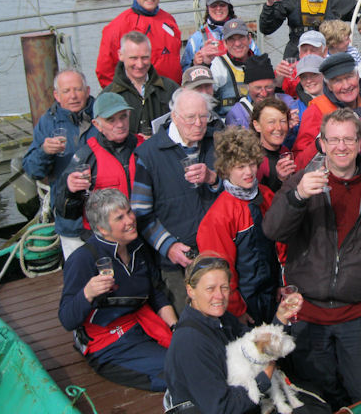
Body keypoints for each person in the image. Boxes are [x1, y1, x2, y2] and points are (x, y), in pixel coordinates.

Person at [263, 108, 361, 407]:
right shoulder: (301, 182)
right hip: (309, 314)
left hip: (359, 313)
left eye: (348, 139)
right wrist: (297, 198)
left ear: (360, 143)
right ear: (322, 143)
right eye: (333, 139)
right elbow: (273, 230)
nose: (341, 147)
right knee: (319, 392)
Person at [59, 188, 177, 392]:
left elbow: (155, 292)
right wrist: (86, 293)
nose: (130, 220)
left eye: (129, 212)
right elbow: (67, 319)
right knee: (181, 372)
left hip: (140, 324)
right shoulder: (83, 259)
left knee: (195, 353)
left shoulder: (137, 246)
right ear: (103, 229)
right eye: (120, 217)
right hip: (108, 342)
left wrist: (177, 329)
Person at [164, 255, 307, 414]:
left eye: (224, 287)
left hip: (239, 397)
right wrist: (264, 378)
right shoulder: (190, 342)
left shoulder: (221, 318)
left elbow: (257, 344)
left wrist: (281, 317)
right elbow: (220, 408)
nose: (219, 296)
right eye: (210, 288)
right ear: (190, 290)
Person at [132, 89, 221, 314]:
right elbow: (141, 212)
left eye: (204, 117)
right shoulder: (149, 154)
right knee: (188, 323)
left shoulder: (217, 143)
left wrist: (213, 178)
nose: (199, 123)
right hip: (177, 259)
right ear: (174, 117)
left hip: (216, 249)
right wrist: (167, 245)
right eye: (191, 118)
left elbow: (239, 189)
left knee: (222, 316)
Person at [196, 127, 279, 325]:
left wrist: (282, 284)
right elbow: (218, 271)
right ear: (226, 169)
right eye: (240, 167)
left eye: (252, 164)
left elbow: (281, 247)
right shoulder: (218, 216)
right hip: (246, 304)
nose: (249, 172)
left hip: (273, 295)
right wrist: (237, 310)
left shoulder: (267, 196)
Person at [23, 69, 95, 259]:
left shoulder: (102, 115)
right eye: (66, 91)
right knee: (79, 273)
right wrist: (44, 152)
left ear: (87, 90)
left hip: (103, 212)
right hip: (70, 216)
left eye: (78, 89)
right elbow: (33, 170)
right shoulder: (48, 123)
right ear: (57, 95)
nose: (73, 96)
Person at [55, 93, 144, 240]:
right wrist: (70, 191)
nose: (120, 124)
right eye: (111, 120)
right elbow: (66, 212)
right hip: (103, 240)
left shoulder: (145, 147)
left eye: (123, 116)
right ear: (97, 125)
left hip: (143, 232)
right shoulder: (85, 157)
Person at [96, 0, 182, 87]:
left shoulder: (169, 20)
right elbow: (105, 71)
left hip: (171, 95)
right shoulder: (117, 26)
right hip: (140, 100)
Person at [292, 53, 361, 167]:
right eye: (337, 81)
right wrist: (319, 144)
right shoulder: (317, 110)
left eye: (349, 76)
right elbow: (298, 162)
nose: (346, 86)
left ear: (357, 76)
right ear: (328, 86)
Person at [102, 31, 179, 136]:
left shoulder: (171, 89)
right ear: (120, 55)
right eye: (133, 58)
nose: (140, 64)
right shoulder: (107, 97)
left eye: (144, 58)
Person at [181, 0, 261, 70]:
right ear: (207, 8)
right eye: (214, 5)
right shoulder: (196, 38)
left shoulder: (243, 33)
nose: (218, 8)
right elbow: (185, 72)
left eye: (222, 5)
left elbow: (260, 62)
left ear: (228, 7)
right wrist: (195, 64)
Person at [225, 54, 299, 134]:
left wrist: (291, 128)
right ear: (247, 87)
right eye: (258, 88)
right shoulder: (238, 113)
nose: (264, 94)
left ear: (275, 84)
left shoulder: (288, 102)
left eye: (268, 87)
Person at [150, 65, 225, 135]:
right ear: (184, 90)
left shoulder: (214, 117)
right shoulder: (175, 121)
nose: (204, 92)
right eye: (198, 87)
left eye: (207, 86)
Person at [211, 19, 257, 117]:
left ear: (249, 38)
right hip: (227, 125)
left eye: (241, 38)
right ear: (225, 43)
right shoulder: (217, 65)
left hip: (257, 122)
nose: (237, 44)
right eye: (231, 39)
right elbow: (203, 97)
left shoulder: (260, 62)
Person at [252, 98, 296, 192]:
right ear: (257, 126)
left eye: (283, 121)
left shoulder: (285, 151)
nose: (279, 127)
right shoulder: (252, 160)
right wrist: (279, 180)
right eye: (271, 122)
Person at [275, 31, 328, 99]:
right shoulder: (289, 71)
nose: (308, 54)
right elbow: (278, 98)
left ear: (325, 51)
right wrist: (278, 79)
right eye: (304, 50)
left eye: (313, 50)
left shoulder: (332, 70)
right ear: (299, 53)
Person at [293, 54, 325, 120]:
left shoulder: (339, 99)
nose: (309, 80)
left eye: (314, 74)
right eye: (303, 77)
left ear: (324, 74)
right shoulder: (295, 108)